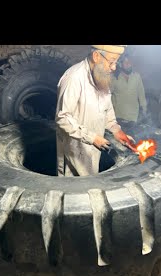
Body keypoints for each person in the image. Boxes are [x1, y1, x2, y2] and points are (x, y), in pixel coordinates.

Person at [55, 45, 135, 177]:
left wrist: (117, 131)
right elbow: (62, 118)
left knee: (90, 189)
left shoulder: (102, 76)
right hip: (73, 151)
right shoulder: (73, 78)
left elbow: (106, 112)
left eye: (116, 62)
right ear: (96, 56)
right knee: (73, 193)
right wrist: (92, 138)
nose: (114, 67)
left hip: (94, 149)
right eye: (111, 61)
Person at [111, 53, 148, 127]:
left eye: (130, 62)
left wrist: (144, 110)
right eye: (126, 62)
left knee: (132, 137)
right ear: (121, 64)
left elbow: (141, 94)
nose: (128, 64)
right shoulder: (114, 78)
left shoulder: (137, 76)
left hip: (133, 117)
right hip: (118, 116)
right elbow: (108, 95)